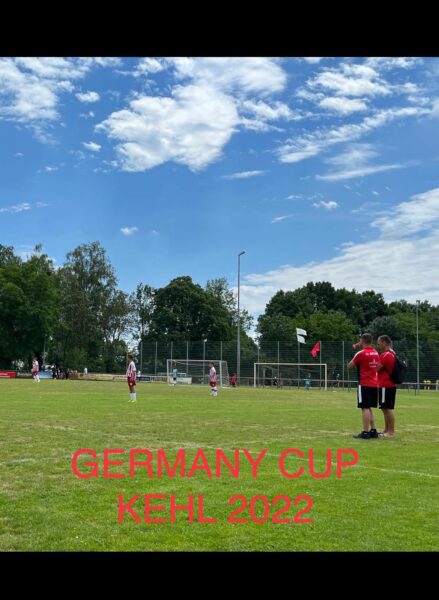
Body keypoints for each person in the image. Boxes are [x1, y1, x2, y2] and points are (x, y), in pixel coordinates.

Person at [347, 333, 379, 439]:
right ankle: (373, 430)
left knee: (364, 408)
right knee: (369, 407)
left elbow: (350, 365)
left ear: (362, 341)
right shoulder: (375, 352)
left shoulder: (361, 353)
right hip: (374, 383)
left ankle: (365, 432)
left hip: (364, 383)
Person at [376, 335, 397, 438]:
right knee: (385, 408)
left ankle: (391, 432)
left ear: (384, 342)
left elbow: (377, 368)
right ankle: (386, 430)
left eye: (379, 343)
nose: (378, 345)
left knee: (387, 408)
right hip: (389, 384)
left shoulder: (385, 355)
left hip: (386, 384)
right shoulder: (392, 352)